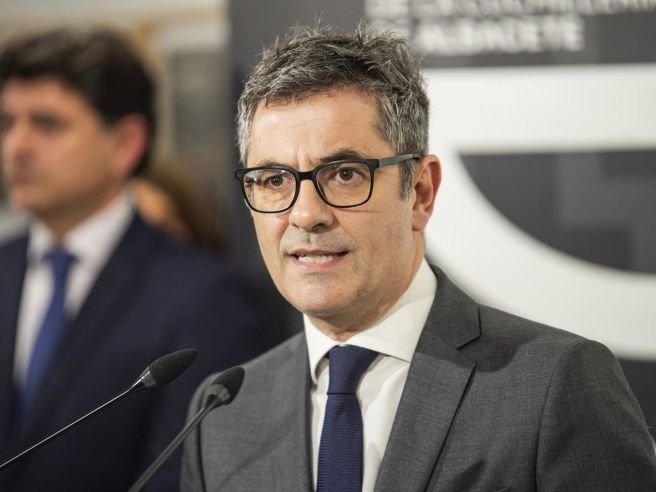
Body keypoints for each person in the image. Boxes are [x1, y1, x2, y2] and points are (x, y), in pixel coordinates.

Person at [181, 23, 656, 491]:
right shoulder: (223, 415)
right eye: (273, 180)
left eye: (344, 174)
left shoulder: (552, 384)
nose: (306, 214)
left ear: (421, 191)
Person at [0, 28, 272, 491]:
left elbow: (184, 475)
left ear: (126, 143)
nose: (16, 147)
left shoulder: (206, 298)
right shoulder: (5, 268)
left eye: (47, 124)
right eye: (7, 123)